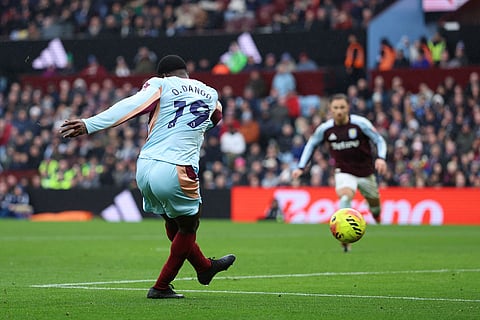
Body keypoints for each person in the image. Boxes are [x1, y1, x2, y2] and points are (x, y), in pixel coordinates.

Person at [59, 54, 236, 299]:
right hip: (177, 167)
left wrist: (91, 124)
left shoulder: (160, 84)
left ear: (163, 74)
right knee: (189, 225)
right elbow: (216, 117)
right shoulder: (210, 93)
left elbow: (133, 105)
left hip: (145, 166)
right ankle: (162, 286)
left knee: (173, 222)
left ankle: (204, 267)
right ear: (186, 72)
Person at [291, 93, 387, 252]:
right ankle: (344, 238)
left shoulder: (360, 124)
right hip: (344, 171)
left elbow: (379, 140)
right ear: (330, 109)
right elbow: (311, 145)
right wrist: (301, 167)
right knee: (345, 196)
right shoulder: (326, 129)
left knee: (375, 206)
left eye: (342, 107)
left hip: (366, 172)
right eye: (336, 108)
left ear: (348, 107)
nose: (339, 111)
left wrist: (381, 158)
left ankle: (376, 214)